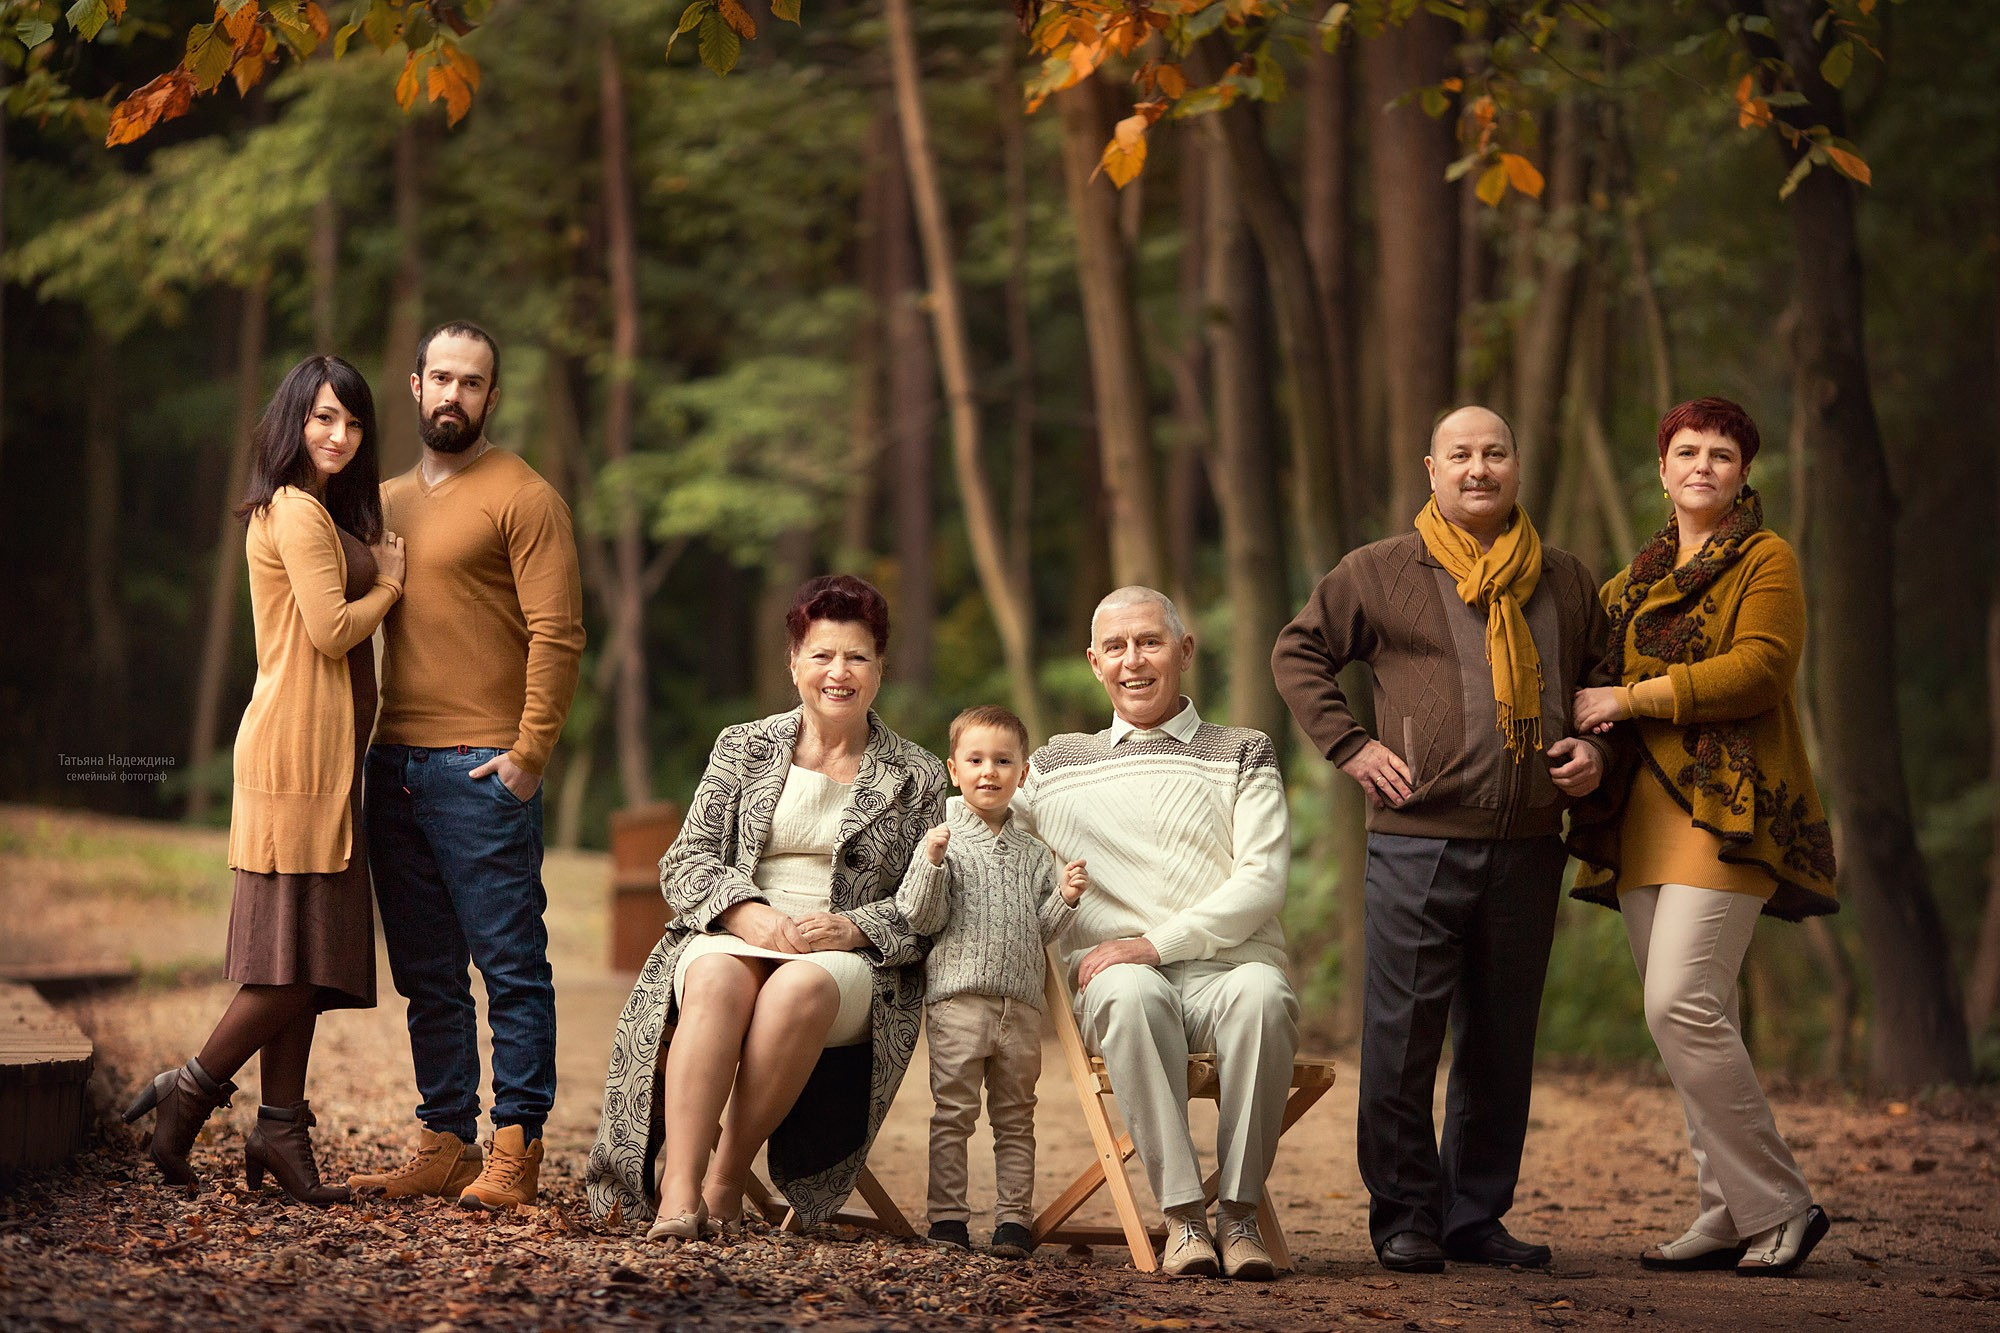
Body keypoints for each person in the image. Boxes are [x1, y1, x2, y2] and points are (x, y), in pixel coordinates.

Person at [1272, 405, 1614, 1274]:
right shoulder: (1381, 571)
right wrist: (1351, 745)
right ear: (1432, 469)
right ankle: (1405, 1216)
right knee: (1404, 1035)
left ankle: (1474, 1213)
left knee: (1501, 1040)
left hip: (1531, 842)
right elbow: (1299, 651)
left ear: (1517, 466)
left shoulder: (1568, 579)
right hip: (1416, 841)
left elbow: (1603, 684)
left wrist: (1595, 752)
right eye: (1460, 455)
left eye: (1494, 453)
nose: (1479, 469)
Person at [586, 575, 949, 1239]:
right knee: (719, 976)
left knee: (798, 987)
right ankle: (679, 1191)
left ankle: (726, 1177)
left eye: (857, 656)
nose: (839, 672)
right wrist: (740, 910)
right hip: (737, 931)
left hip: (842, 960)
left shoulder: (918, 773)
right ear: (794, 662)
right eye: (822, 654)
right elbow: (686, 859)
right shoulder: (742, 745)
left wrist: (854, 927)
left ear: (880, 667)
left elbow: (927, 906)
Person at [126, 356, 405, 1205]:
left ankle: (281, 1129)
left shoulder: (312, 510)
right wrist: (392, 579)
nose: (340, 436)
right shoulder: (292, 510)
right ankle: (191, 1090)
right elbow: (328, 631)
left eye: (353, 423)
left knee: (309, 961)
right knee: (287, 966)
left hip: (322, 755)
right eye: (324, 418)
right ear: (293, 421)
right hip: (294, 755)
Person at [1569, 396, 1836, 1277]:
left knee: (1677, 1003)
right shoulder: (1631, 579)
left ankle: (1781, 1203)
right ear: (1662, 468)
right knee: (1695, 1016)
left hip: (1728, 810)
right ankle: (1724, 1211)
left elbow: (1760, 667)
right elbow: (1588, 686)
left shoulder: (1766, 558)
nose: (1703, 466)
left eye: (1723, 454)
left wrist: (1635, 699)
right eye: (1687, 451)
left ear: (1745, 472)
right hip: (1640, 816)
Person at [346, 322, 585, 1210]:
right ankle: (445, 1140)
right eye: (440, 377)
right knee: (427, 973)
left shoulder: (524, 496)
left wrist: (527, 755)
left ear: (493, 396)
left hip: (482, 766)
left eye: (472, 382)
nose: (454, 394)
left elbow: (560, 633)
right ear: (413, 386)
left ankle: (515, 1147)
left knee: (510, 963)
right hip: (393, 764)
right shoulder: (381, 500)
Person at [1016, 586, 1296, 1281]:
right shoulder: (1054, 765)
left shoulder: (1242, 750)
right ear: (1093, 662)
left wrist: (1153, 942)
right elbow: (978, 819)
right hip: (1120, 984)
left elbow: (1261, 881)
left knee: (1266, 994)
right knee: (1130, 992)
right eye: (1115, 646)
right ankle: (1183, 1218)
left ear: (1185, 651)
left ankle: (1238, 1215)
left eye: (1150, 641)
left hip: (1229, 973)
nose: (1133, 660)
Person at [894, 705, 1090, 1260]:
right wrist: (930, 863)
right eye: (976, 760)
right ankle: (949, 1219)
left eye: (1003, 761)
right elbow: (918, 916)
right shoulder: (943, 839)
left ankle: (1013, 1222)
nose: (989, 771)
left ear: (1022, 773)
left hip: (1021, 1008)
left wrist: (1065, 899)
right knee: (953, 1115)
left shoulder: (1033, 853)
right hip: (958, 1002)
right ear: (954, 769)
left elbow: (1039, 931)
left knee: (1015, 1118)